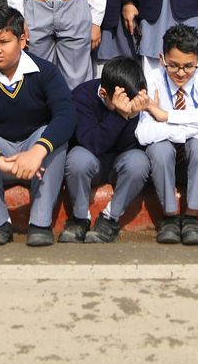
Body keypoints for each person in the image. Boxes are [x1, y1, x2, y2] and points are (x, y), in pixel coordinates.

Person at [0, 6, 73, 247]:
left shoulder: (45, 72)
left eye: (4, 42)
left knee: (52, 138)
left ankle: (40, 224)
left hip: (36, 159)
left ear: (22, 40)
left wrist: (37, 151)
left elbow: (66, 114)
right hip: (0, 159)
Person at [136, 24, 198, 246]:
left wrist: (165, 115)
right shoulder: (151, 80)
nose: (181, 73)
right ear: (162, 58)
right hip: (163, 161)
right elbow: (144, 132)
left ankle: (192, 216)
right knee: (159, 148)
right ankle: (169, 216)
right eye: (173, 65)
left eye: (188, 66)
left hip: (195, 161)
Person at [60, 55, 151, 244]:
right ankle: (79, 219)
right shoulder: (82, 96)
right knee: (77, 159)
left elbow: (135, 145)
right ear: (103, 93)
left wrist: (132, 116)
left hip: (121, 162)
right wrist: (120, 116)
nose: (128, 106)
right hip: (93, 161)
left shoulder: (138, 98)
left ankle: (110, 219)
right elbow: (92, 143)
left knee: (139, 162)